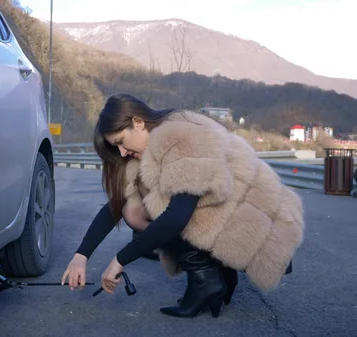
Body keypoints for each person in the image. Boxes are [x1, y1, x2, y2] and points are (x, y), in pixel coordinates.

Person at [61, 93, 305, 318]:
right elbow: (115, 206)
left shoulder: (181, 140)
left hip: (260, 225)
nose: (122, 153)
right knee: (132, 208)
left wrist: (119, 260)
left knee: (148, 213)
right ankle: (218, 272)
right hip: (232, 216)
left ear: (137, 122)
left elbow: (178, 217)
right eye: (117, 147)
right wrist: (81, 256)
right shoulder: (151, 147)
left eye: (121, 142)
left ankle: (207, 279)